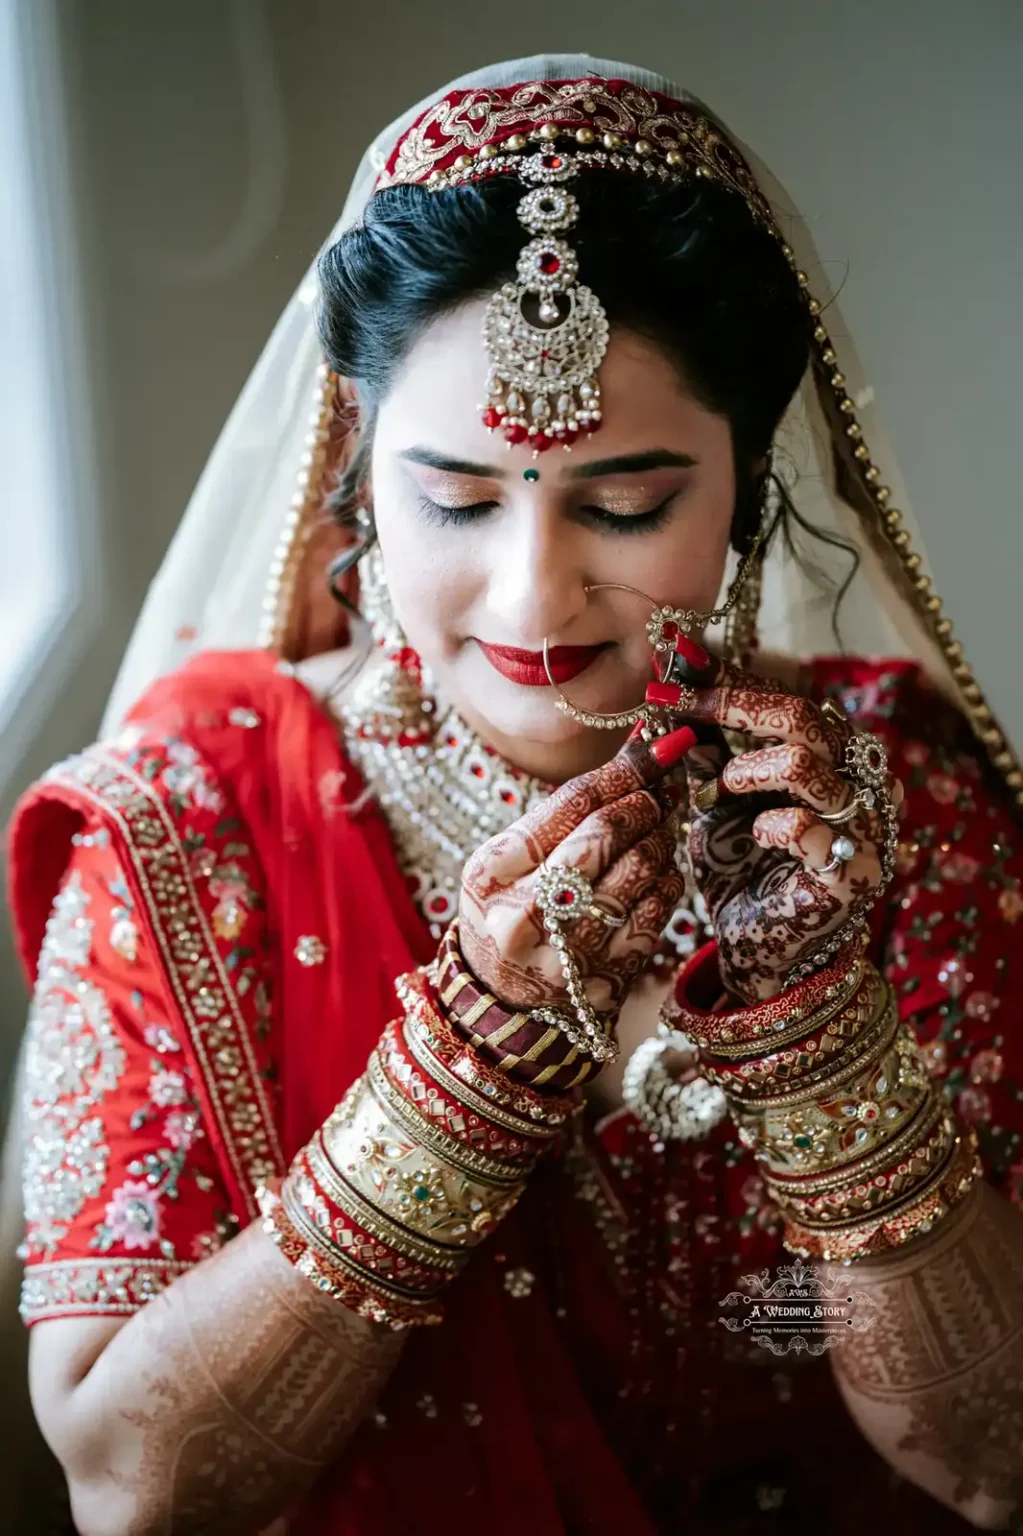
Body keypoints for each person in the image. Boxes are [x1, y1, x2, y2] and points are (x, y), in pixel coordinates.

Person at [5, 53, 1023, 1536]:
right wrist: (464, 1080)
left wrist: (816, 1025)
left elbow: (991, 1465)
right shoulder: (187, 826)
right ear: (354, 462)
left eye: (625, 501)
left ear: (746, 481)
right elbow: (130, 1488)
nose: (533, 591)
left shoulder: (885, 800)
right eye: (457, 499)